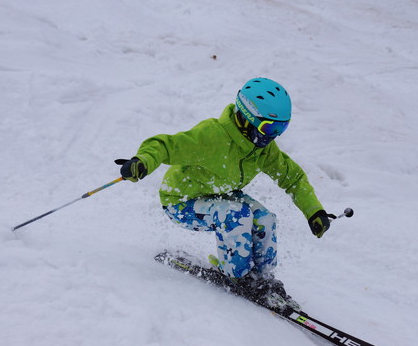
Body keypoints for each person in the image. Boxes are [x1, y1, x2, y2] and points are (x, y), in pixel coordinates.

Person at [115, 77, 334, 310]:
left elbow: (293, 177)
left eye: (282, 128)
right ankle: (237, 276)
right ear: (249, 118)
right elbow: (166, 145)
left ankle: (263, 278)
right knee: (236, 215)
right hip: (181, 201)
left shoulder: (262, 149)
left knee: (265, 219)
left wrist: (314, 211)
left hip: (220, 195)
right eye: (270, 127)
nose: (274, 135)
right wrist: (143, 160)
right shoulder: (211, 136)